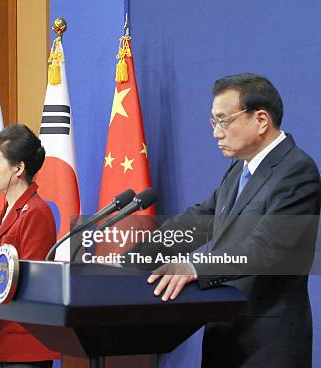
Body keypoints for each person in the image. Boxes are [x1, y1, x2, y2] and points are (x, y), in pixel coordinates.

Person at [134, 73, 320, 367]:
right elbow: (199, 221)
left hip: (268, 345)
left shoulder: (297, 171)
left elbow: (267, 250)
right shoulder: (238, 171)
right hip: (226, 336)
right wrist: (130, 259)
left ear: (260, 120)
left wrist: (196, 266)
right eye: (214, 122)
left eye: (224, 120)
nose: (216, 133)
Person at [0, 124, 60, 368]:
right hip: (2, 338)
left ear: (18, 168)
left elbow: (32, 281)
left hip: (25, 344)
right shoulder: (9, 208)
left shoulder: (36, 211)